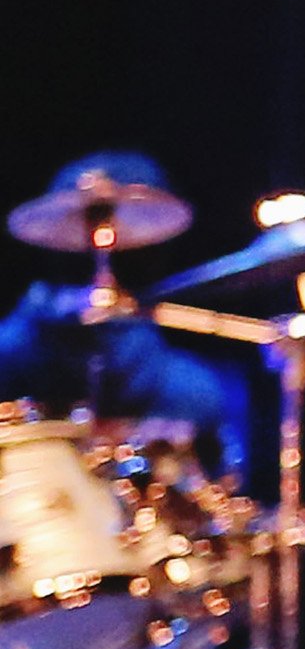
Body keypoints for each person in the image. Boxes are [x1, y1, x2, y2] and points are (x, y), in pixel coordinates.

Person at [0, 152, 256, 461]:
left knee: (201, 394)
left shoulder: (190, 388)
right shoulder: (17, 347)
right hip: (32, 494)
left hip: (152, 483)